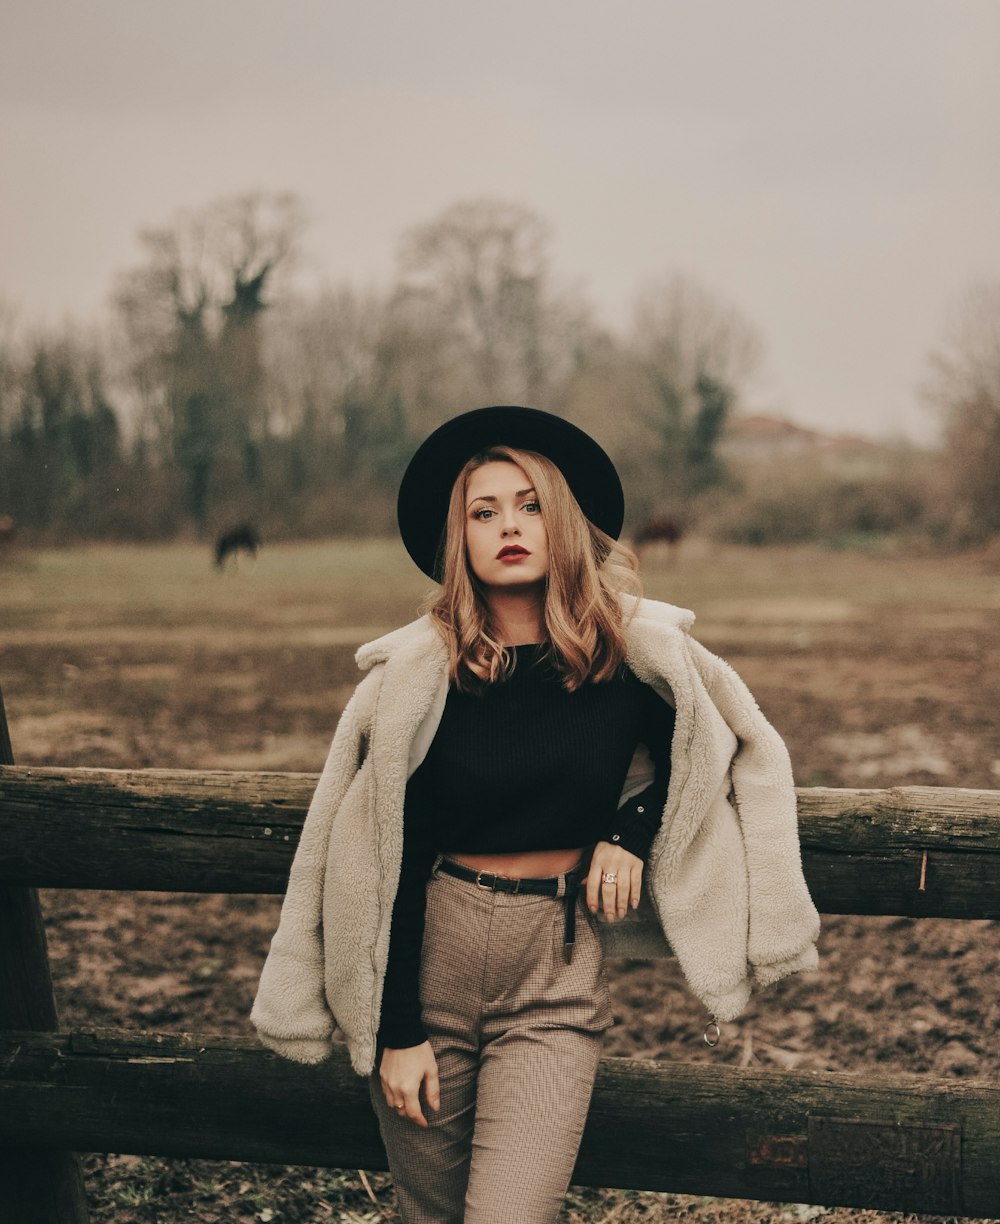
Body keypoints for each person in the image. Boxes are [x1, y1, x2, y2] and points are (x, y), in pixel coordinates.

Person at [252, 405, 820, 1224]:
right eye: (484, 512)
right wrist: (397, 1031)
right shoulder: (424, 679)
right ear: (461, 539)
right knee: (429, 1212)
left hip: (553, 972)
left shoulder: (627, 662)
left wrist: (628, 834)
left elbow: (706, 760)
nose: (509, 526)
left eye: (529, 506)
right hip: (427, 963)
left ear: (562, 524)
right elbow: (393, 854)